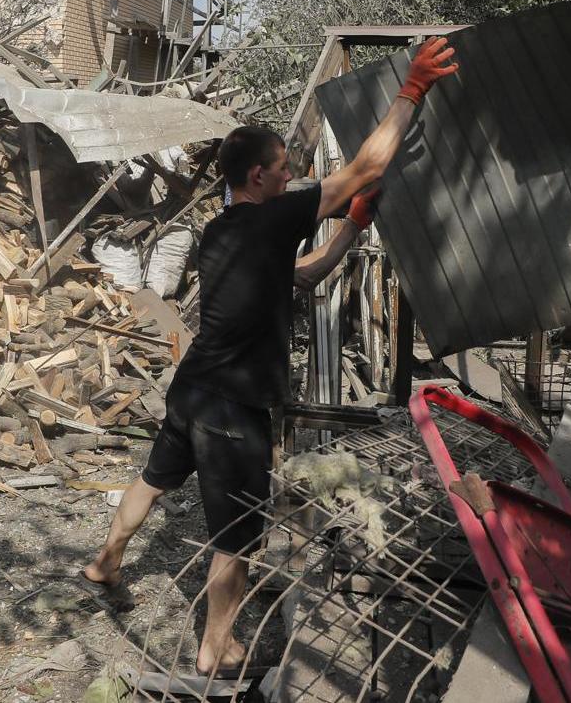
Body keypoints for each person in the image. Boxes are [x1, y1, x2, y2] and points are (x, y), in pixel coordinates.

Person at [82, 37, 460, 672]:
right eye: (284, 169)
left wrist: (351, 229)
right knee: (237, 537)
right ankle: (215, 647)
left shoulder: (225, 232)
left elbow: (302, 277)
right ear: (258, 176)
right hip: (233, 411)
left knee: (153, 479)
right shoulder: (273, 216)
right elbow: (364, 169)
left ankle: (105, 561)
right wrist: (412, 89)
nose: (291, 177)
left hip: (192, 389)